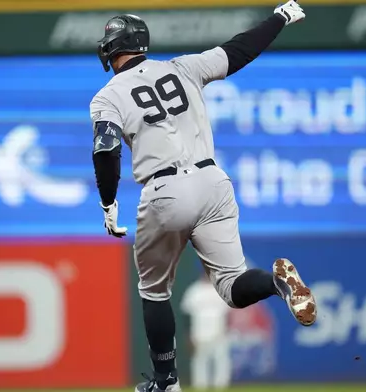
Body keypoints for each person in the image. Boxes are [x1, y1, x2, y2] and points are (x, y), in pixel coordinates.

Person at [89, 2, 316, 392]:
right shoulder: (183, 68)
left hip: (164, 189)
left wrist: (109, 202)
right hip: (214, 181)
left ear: (111, 48)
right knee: (233, 284)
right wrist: (279, 17)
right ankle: (277, 283)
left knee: (154, 290)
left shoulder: (107, 96)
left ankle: (167, 383)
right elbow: (239, 50)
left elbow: (106, 150)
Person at [181, 272, 232, 390]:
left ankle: (221, 387)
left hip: (219, 333)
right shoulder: (194, 291)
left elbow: (228, 313)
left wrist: (228, 330)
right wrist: (188, 335)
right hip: (199, 335)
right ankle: (200, 387)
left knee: (221, 363)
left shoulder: (221, 290)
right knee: (199, 364)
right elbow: (186, 314)